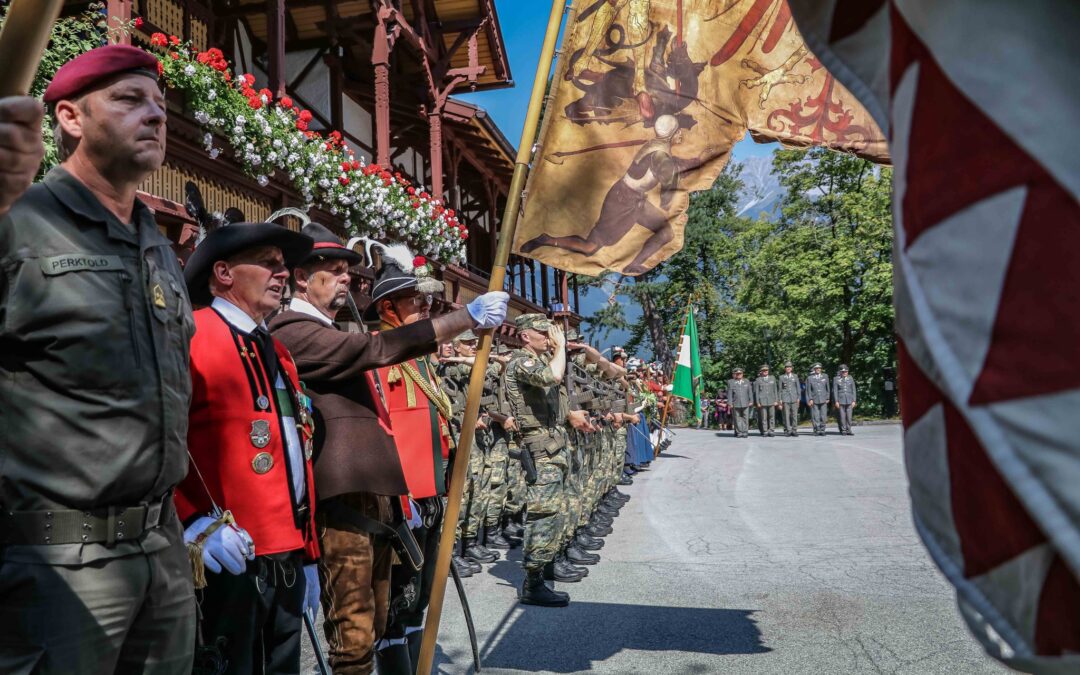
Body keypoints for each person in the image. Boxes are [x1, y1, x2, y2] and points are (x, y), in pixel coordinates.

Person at [0, 46, 197, 674]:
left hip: (160, 553)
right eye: (129, 99)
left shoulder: (158, 247)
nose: (155, 117)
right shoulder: (17, 222)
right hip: (56, 565)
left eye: (161, 107)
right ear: (70, 117)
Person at [269, 234, 507, 673]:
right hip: (341, 504)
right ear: (301, 279)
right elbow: (374, 348)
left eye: (347, 272)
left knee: (378, 623)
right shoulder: (291, 329)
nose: (345, 279)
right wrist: (464, 318)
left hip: (375, 497)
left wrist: (400, 499)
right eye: (333, 272)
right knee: (353, 637)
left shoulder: (326, 329)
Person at [179, 222, 317, 674]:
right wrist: (190, 519)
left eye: (284, 266)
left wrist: (309, 548)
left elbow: (296, 452)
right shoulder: (190, 335)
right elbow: (156, 437)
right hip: (222, 553)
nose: (282, 274)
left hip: (287, 552)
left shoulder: (277, 352)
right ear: (223, 272)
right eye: (268, 263)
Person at [368, 244, 457, 675]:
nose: (426, 307)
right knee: (396, 600)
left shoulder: (419, 358)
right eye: (416, 301)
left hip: (432, 493)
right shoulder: (379, 353)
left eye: (427, 301)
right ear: (388, 307)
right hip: (403, 500)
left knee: (420, 595)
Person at [504, 314, 590, 606]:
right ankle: (533, 582)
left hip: (554, 448)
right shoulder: (520, 362)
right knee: (542, 515)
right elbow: (552, 377)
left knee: (555, 512)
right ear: (525, 336)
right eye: (542, 332)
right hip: (540, 451)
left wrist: (571, 416)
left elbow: (556, 398)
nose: (548, 337)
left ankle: (548, 566)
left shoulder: (540, 361)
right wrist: (561, 347)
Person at [753, 364, 780, 437]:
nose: (765, 371)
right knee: (763, 417)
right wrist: (758, 402)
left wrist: (776, 400)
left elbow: (775, 390)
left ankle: (771, 430)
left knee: (772, 416)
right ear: (761, 372)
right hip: (762, 401)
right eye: (764, 370)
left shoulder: (772, 378)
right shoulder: (758, 380)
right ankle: (765, 431)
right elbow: (757, 392)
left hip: (771, 400)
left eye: (766, 370)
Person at [805, 363, 831, 436]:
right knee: (815, 415)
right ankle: (817, 429)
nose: (818, 369)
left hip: (823, 399)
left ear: (821, 369)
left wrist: (828, 397)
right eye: (816, 368)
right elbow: (808, 390)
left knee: (823, 415)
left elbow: (828, 388)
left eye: (819, 368)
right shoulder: (810, 378)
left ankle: (822, 430)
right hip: (814, 399)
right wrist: (810, 399)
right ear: (814, 369)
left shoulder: (825, 376)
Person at [727, 368, 752, 438]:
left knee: (745, 418)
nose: (739, 375)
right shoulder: (731, 382)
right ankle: (739, 432)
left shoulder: (746, 381)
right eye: (737, 374)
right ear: (735, 374)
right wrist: (730, 403)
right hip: (736, 403)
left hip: (746, 403)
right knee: (737, 419)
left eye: (740, 374)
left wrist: (751, 401)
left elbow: (750, 392)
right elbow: (729, 394)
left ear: (742, 374)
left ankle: (745, 431)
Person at [833, 365, 857, 436]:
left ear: (847, 372)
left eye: (846, 372)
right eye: (843, 372)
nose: (844, 373)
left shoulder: (850, 378)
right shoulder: (836, 379)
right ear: (840, 372)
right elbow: (835, 391)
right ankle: (843, 430)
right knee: (842, 416)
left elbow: (853, 390)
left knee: (849, 416)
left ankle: (849, 429)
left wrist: (854, 400)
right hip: (841, 400)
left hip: (849, 400)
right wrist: (836, 401)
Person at [779, 361, 802, 437]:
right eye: (787, 367)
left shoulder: (795, 376)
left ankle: (794, 430)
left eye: (789, 367)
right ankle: (788, 430)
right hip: (785, 399)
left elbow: (798, 388)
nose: (788, 368)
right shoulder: (781, 377)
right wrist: (780, 400)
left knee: (794, 415)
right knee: (786, 415)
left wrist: (799, 398)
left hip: (794, 398)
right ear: (785, 369)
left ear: (791, 368)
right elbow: (780, 389)